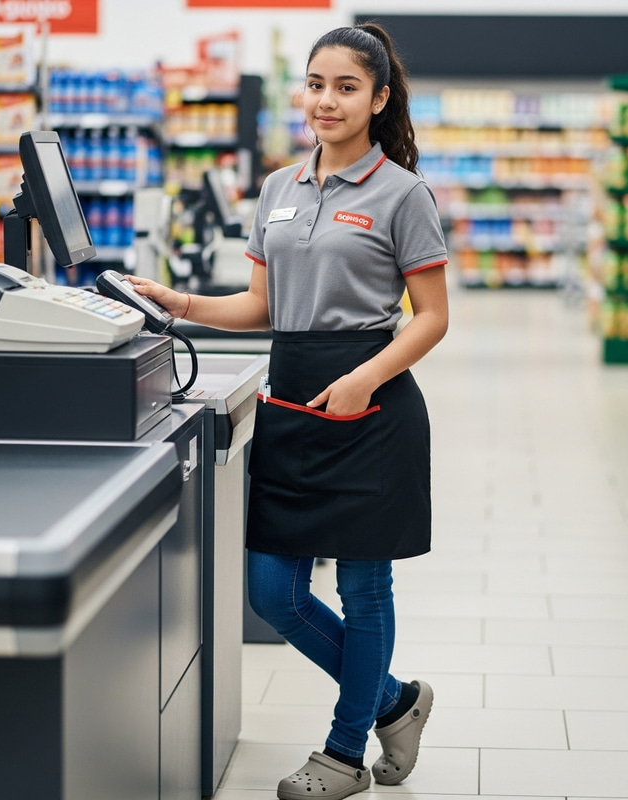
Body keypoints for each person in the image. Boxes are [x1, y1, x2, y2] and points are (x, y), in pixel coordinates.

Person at [128, 22, 449, 800]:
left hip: (369, 406)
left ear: (378, 98)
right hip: (293, 400)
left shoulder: (403, 193)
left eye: (346, 86)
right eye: (316, 84)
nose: (326, 100)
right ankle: (397, 703)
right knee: (272, 593)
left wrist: (364, 380)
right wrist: (178, 302)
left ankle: (343, 755)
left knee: (365, 591)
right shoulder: (278, 188)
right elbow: (260, 306)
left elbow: (432, 316)